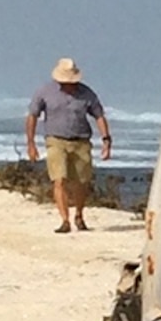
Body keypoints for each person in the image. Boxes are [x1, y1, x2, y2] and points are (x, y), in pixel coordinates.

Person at [23, 57, 113, 233]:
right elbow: (32, 116)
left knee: (82, 182)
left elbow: (99, 116)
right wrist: (31, 143)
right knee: (59, 179)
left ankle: (79, 215)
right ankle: (65, 220)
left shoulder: (87, 93)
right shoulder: (45, 92)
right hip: (55, 140)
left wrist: (106, 140)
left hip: (81, 141)